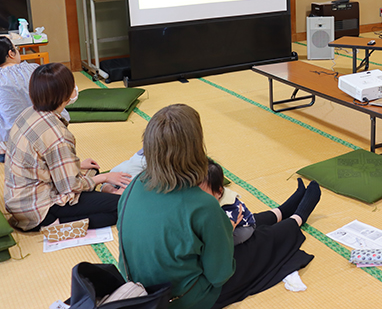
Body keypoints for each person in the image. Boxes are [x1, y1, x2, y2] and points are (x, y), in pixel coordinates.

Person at [117, 104, 321, 308]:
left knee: (240, 224)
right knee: (259, 240)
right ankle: (298, 217)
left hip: (141, 292)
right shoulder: (202, 204)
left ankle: (281, 211)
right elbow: (219, 275)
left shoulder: (133, 186)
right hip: (186, 299)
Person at [4, 63, 131, 231]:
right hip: (39, 209)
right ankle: (53, 224)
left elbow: (42, 160)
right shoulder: (57, 135)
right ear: (64, 94)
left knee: (92, 169)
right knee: (120, 207)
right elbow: (71, 186)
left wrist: (77, 165)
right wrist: (105, 178)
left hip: (19, 199)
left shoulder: (29, 112)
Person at [0, 37, 71, 163]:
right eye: (16, 48)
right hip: (49, 134)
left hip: (13, 144)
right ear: (11, 54)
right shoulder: (34, 68)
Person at [201, 158, 257, 245]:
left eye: (204, 194)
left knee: (224, 241)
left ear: (219, 192)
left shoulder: (229, 205)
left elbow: (228, 228)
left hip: (243, 227)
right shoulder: (213, 196)